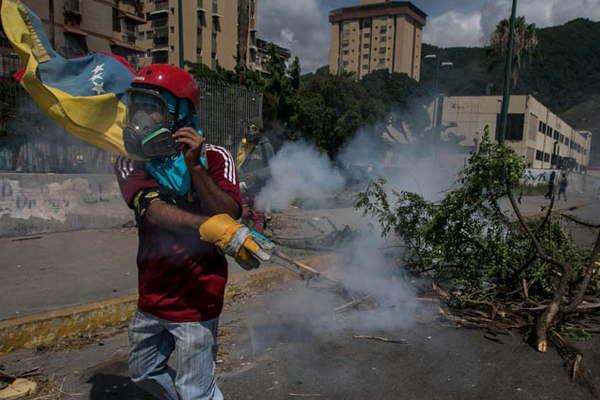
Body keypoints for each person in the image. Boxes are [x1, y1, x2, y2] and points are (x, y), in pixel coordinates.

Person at [115, 64, 268, 400]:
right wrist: (205, 226)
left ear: (180, 114)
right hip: (152, 296)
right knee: (143, 374)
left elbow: (229, 212)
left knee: (194, 391)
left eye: (152, 107)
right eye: (136, 105)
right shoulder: (131, 162)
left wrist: (194, 166)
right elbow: (152, 209)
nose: (141, 117)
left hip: (197, 299)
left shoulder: (215, 157)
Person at [235, 117, 275, 234]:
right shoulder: (243, 145)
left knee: (258, 217)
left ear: (260, 132)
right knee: (242, 215)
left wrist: (256, 174)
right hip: (243, 189)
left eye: (253, 134)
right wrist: (240, 178)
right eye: (249, 134)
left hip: (259, 191)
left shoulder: (265, 147)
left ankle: (257, 242)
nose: (250, 138)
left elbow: (273, 169)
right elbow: (237, 163)